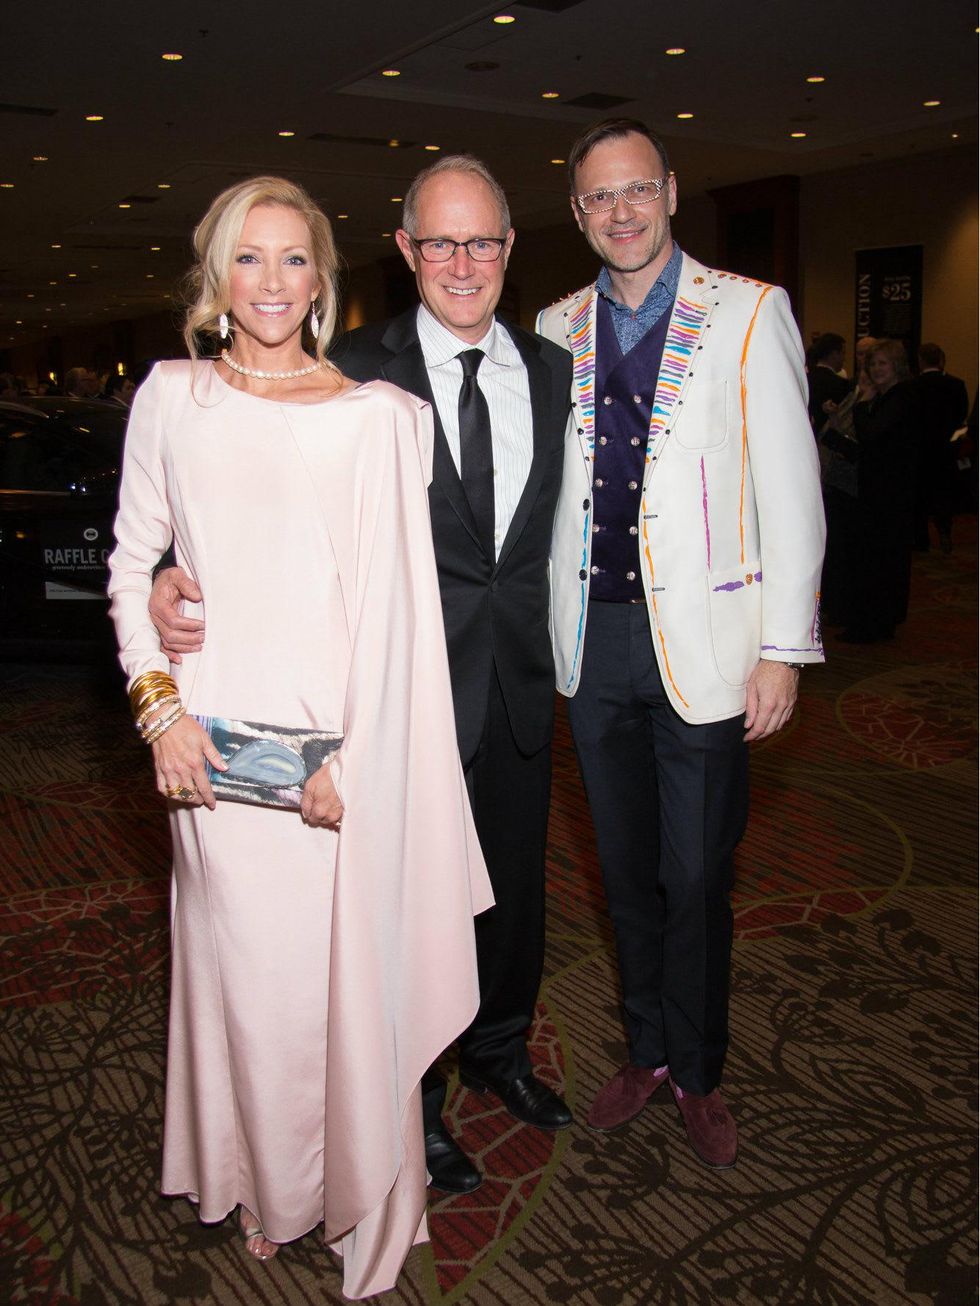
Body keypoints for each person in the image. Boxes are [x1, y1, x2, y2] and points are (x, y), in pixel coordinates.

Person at [146, 155, 573, 1196]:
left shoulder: (554, 368)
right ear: (405, 251)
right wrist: (167, 572)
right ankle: (411, 1108)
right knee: (397, 910)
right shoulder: (359, 372)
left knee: (511, 896)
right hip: (391, 703)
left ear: (510, 252)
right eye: (440, 242)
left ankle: (501, 1053)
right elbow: (259, 505)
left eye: (482, 242)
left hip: (517, 681)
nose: (461, 263)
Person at [107, 176, 492, 1299]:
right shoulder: (171, 398)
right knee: (253, 985)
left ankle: (361, 1194)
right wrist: (159, 710)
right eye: (246, 258)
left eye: (291, 260)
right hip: (213, 761)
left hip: (338, 761)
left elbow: (398, 616)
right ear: (213, 277)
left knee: (347, 983)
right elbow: (136, 569)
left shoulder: (381, 419)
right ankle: (273, 1186)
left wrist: (356, 765)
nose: (269, 282)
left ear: (321, 280)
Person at [537, 118, 825, 1169]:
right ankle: (646, 1049)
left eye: (633, 191)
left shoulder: (748, 313)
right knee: (622, 871)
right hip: (591, 644)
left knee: (697, 872)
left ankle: (698, 1070)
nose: (618, 212)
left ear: (667, 190)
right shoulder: (553, 323)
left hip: (707, 646)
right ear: (577, 214)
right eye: (595, 199)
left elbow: (792, 494)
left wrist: (783, 647)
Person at [823, 338, 917, 642]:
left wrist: (863, 402)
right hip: (879, 488)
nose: (876, 369)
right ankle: (875, 619)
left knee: (882, 558)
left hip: (891, 492)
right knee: (875, 557)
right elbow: (867, 449)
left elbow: (871, 435)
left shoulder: (899, 396)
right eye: (873, 364)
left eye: (882, 363)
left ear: (896, 366)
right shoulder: (888, 397)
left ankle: (876, 622)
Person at [911, 343, 969, 553]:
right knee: (943, 494)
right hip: (946, 450)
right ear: (941, 360)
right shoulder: (956, 385)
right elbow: (961, 418)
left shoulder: (913, 386)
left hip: (920, 451)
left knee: (920, 496)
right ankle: (944, 530)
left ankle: (921, 538)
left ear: (920, 361)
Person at [806, 332, 850, 430]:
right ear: (834, 354)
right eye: (843, 353)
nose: (844, 359)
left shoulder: (804, 380)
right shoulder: (840, 384)